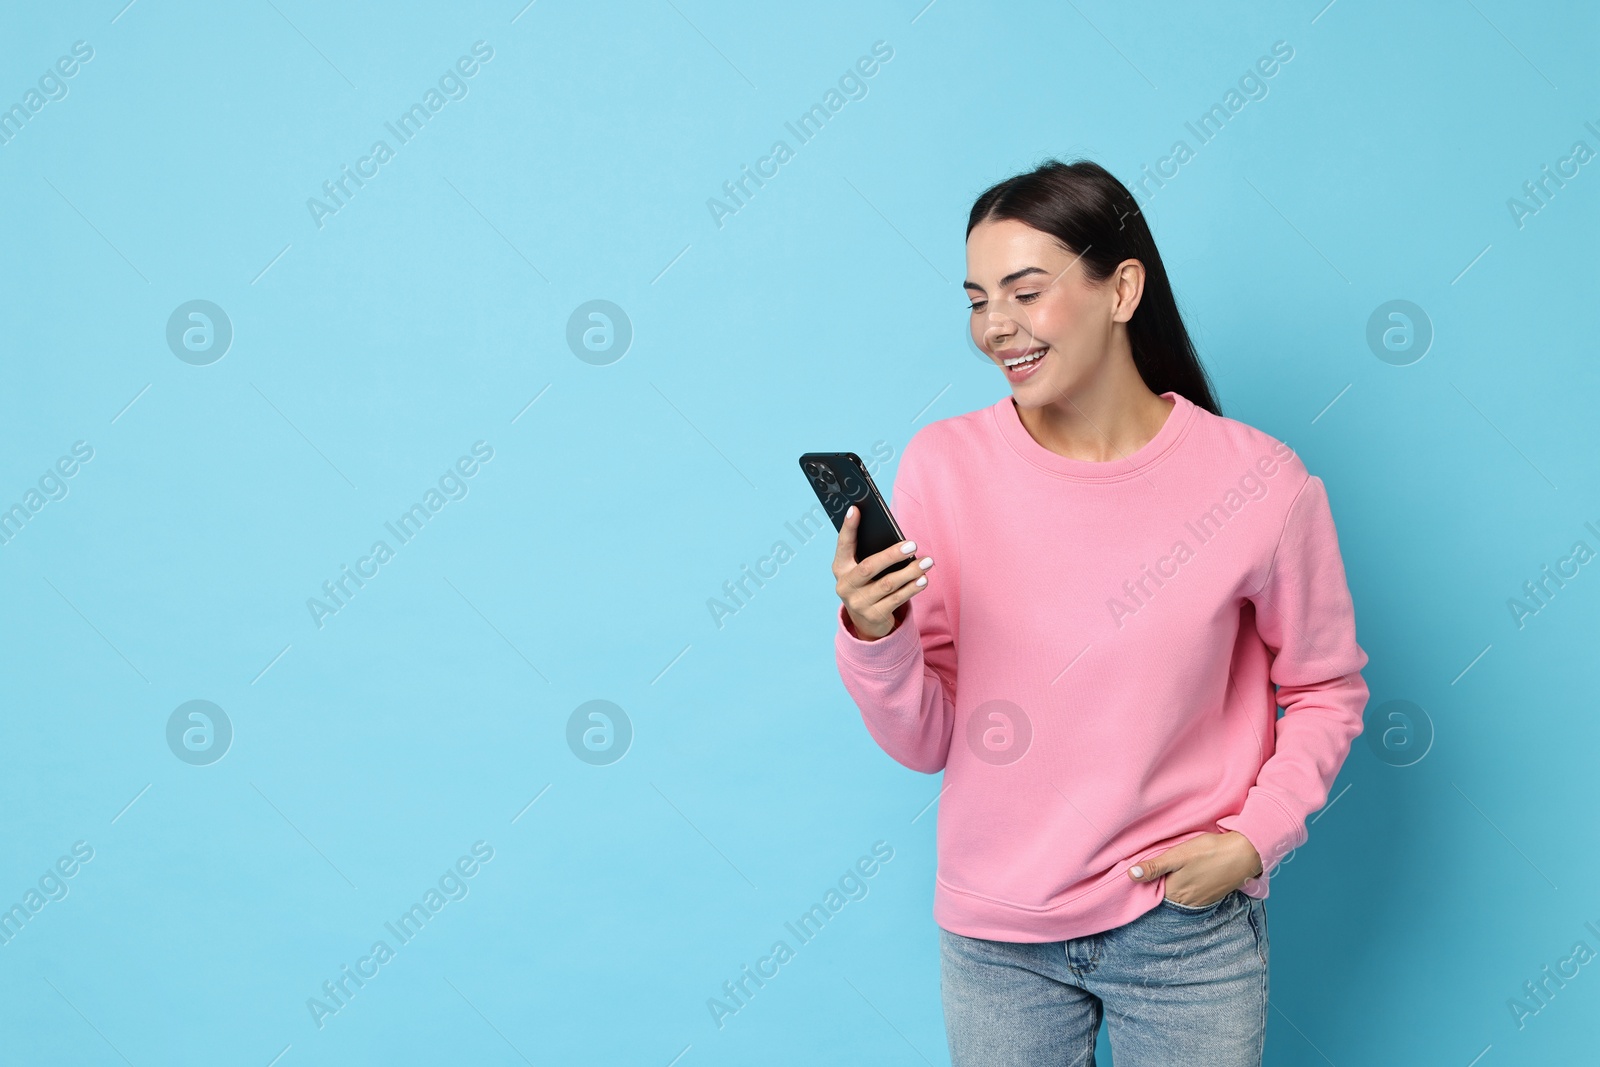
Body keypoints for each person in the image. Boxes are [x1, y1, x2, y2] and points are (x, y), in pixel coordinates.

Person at [830, 159, 1370, 1067]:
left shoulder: (1258, 483)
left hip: (1184, 925)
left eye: (1026, 292)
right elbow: (928, 741)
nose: (995, 325)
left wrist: (1252, 838)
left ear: (1121, 288)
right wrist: (876, 637)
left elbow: (1326, 686)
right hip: (998, 934)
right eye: (976, 299)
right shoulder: (944, 467)